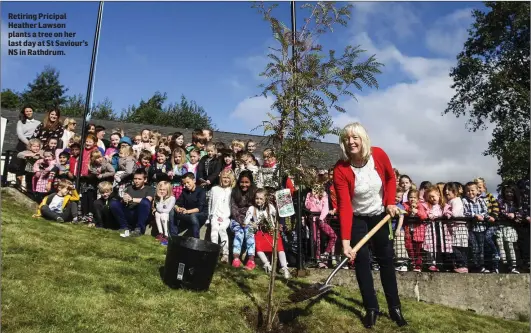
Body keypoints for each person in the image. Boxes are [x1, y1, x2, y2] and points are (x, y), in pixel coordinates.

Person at [333, 122, 407, 328]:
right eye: (347, 138)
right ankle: (371, 308)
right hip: (357, 218)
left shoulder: (379, 155)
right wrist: (346, 242)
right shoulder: (341, 169)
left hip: (380, 215)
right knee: (362, 262)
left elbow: (391, 179)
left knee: (386, 260)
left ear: (363, 139)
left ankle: (395, 308)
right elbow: (345, 206)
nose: (351, 141)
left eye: (355, 137)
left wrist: (391, 202)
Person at [110, 168, 155, 237]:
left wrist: (132, 199)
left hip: (140, 213)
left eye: (139, 179)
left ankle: (139, 229)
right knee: (114, 203)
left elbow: (148, 200)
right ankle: (124, 227)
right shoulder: (129, 188)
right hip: (129, 211)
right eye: (135, 179)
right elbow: (124, 200)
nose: (136, 181)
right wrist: (124, 199)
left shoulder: (150, 189)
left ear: (145, 180)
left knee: (145, 202)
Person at [172, 172, 208, 239]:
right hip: (188, 214)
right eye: (184, 183)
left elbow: (199, 209)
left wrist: (187, 211)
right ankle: (173, 236)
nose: (186, 185)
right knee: (172, 211)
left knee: (193, 216)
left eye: (188, 182)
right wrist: (177, 208)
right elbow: (177, 203)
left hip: (201, 214)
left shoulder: (201, 191)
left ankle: (196, 240)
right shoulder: (184, 191)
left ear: (194, 180)